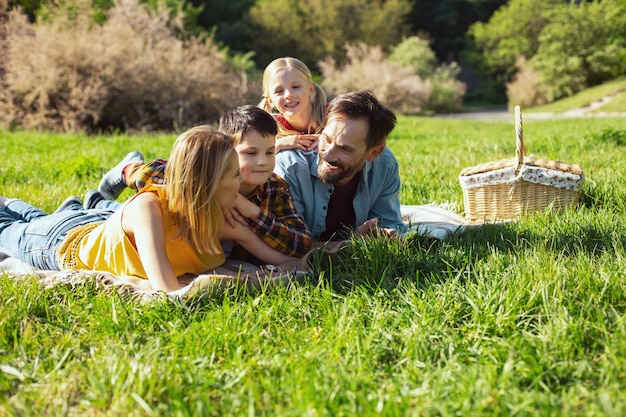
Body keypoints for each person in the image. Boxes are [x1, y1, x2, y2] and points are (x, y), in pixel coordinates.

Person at [0, 127, 298, 293]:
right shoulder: (149, 209)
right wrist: (246, 283)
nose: (241, 180)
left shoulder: (221, 219)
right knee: (5, 229)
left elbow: (291, 263)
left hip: (100, 222)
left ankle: (25, 205)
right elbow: (167, 289)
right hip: (60, 244)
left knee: (36, 216)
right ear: (208, 184)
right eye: (233, 174)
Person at [85, 105, 312, 260]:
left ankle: (99, 203)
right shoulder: (205, 176)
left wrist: (252, 211)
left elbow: (302, 243)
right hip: (150, 189)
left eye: (270, 152)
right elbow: (153, 174)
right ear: (227, 149)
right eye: (250, 153)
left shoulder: (275, 187)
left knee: (113, 213)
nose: (263, 162)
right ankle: (126, 169)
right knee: (142, 181)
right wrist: (133, 174)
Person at [274, 90, 407, 241]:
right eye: (327, 139)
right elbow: (289, 245)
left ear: (373, 153)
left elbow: (388, 221)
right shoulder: (290, 169)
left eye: (345, 148)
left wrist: (385, 235)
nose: (328, 155)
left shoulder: (384, 164)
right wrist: (349, 246)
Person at [258, 57, 327, 153]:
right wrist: (278, 145)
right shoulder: (270, 129)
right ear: (270, 100)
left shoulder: (334, 116)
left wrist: (329, 140)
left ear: (311, 89)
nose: (288, 95)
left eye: (296, 87)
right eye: (279, 91)